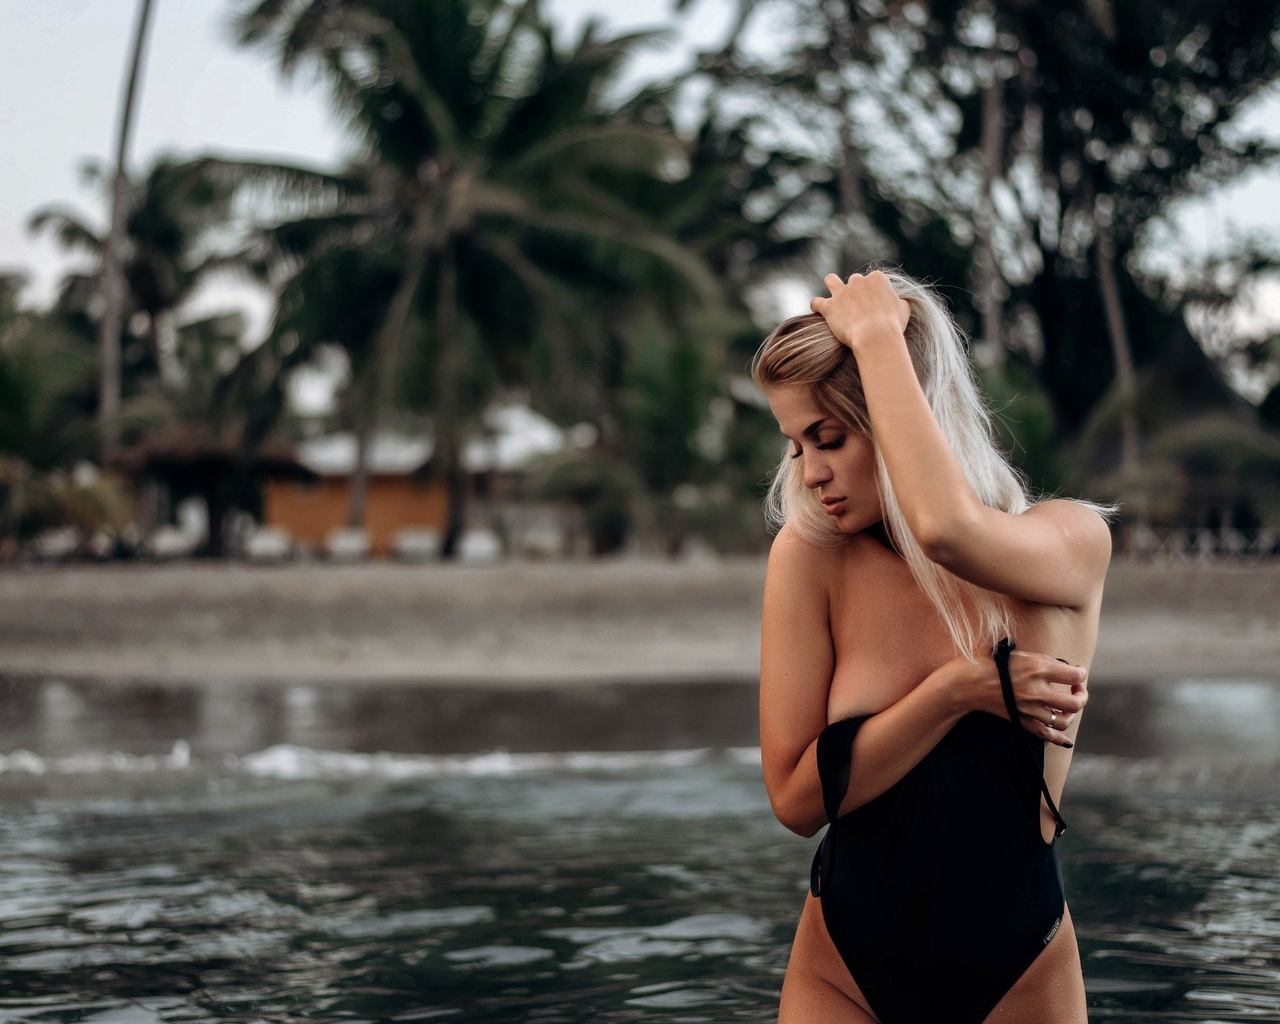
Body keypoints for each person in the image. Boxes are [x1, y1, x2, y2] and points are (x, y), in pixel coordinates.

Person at [753, 269, 1111, 1024]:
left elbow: (947, 530)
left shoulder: (1068, 545)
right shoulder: (812, 559)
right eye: (795, 446)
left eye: (830, 437)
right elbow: (793, 800)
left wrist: (881, 336)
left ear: (896, 412)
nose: (811, 473)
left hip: (1019, 975)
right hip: (843, 970)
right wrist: (955, 694)